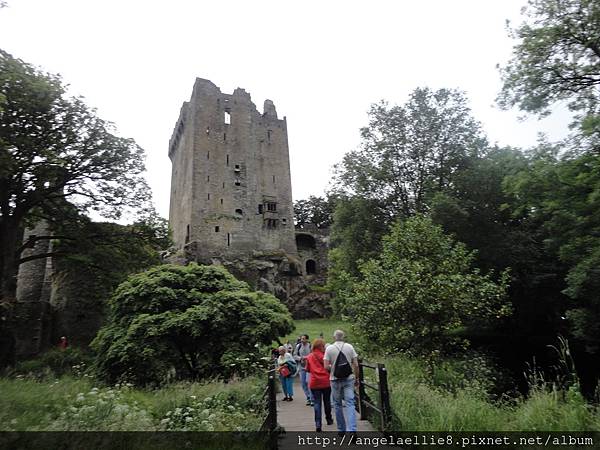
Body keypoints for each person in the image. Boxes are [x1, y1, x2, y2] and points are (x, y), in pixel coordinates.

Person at [324, 329, 358, 433]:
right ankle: (352, 430)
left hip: (335, 380)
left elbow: (326, 366)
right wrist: (356, 378)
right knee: (350, 403)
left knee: (337, 404)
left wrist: (333, 370)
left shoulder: (329, 349)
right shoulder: (349, 347)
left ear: (334, 337)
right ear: (343, 337)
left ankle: (341, 429)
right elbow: (356, 364)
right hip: (349, 379)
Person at [305, 338, 334, 432]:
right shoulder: (325, 356)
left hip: (314, 382)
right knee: (327, 401)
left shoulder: (309, 356)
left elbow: (307, 369)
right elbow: (330, 367)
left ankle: (318, 424)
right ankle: (329, 419)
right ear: (321, 346)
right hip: (326, 381)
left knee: (317, 403)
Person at [293, 334, 313, 406]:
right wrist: (300, 358)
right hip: (301, 367)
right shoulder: (298, 346)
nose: (302, 340)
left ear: (307, 339)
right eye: (301, 339)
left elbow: (313, 355)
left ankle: (312, 398)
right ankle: (308, 397)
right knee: (303, 383)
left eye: (304, 339)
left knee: (308, 382)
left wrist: (306, 358)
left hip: (309, 367)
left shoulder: (311, 346)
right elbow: (294, 355)